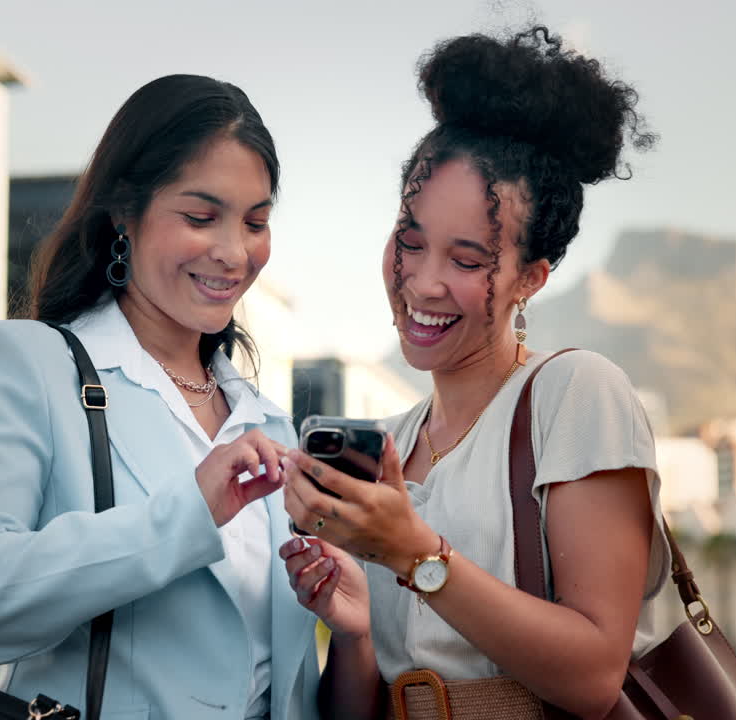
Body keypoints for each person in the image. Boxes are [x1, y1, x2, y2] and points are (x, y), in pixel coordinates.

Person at [279, 27, 668, 720]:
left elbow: (592, 677)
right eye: (409, 240)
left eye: (466, 261)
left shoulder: (576, 394)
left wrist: (413, 552)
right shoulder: (391, 441)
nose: (422, 283)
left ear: (532, 278)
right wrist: (354, 631)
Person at [0, 74, 320, 720]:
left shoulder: (269, 425)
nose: (234, 252)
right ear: (125, 214)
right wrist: (185, 514)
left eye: (256, 222)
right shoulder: (32, 366)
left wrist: (354, 628)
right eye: (200, 217)